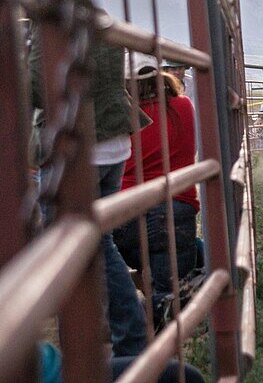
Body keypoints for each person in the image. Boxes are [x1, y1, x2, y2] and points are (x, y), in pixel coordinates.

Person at [30, 37, 149, 357]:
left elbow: (39, 88)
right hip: (111, 139)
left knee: (68, 241)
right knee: (97, 240)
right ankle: (115, 324)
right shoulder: (94, 16)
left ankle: (128, 329)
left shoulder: (51, 16)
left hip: (81, 145)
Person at [114, 55, 199, 330]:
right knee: (170, 290)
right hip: (175, 207)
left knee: (139, 270)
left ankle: (136, 318)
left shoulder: (120, 116)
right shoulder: (183, 106)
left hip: (128, 208)